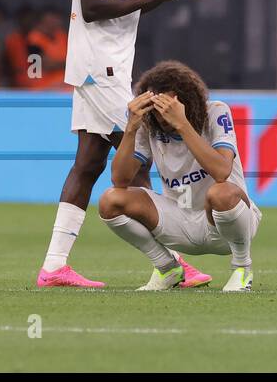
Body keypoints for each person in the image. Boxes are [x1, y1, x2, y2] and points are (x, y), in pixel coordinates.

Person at [37, 0, 215, 288]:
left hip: (112, 64)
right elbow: (94, 7)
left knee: (90, 162)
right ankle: (170, 263)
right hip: (100, 67)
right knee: (137, 161)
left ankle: (54, 267)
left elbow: (134, 0)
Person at [99, 60, 259, 292]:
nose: (162, 116)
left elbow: (222, 171)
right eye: (157, 108)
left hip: (225, 224)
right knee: (110, 200)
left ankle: (242, 268)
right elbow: (120, 180)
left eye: (168, 106)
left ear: (187, 99)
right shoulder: (148, 124)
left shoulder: (215, 111)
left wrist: (183, 125)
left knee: (220, 192)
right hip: (178, 222)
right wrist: (132, 127)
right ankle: (167, 267)